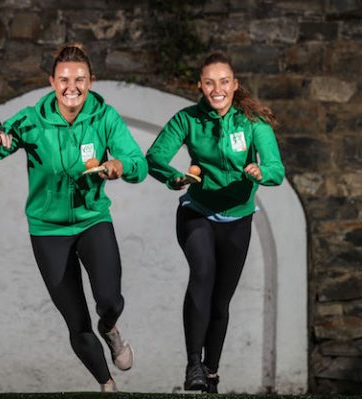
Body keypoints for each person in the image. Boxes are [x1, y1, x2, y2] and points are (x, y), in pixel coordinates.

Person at [0, 44, 147, 392]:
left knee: (110, 301)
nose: (72, 87)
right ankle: (107, 385)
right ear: (52, 81)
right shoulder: (31, 120)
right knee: (77, 322)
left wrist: (118, 166)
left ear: (91, 81)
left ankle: (110, 330)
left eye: (80, 79)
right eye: (64, 79)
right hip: (48, 231)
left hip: (93, 219)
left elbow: (137, 163)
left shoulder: (104, 118)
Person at [146, 52, 285, 393]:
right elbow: (155, 159)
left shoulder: (253, 122)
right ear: (200, 86)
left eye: (224, 81)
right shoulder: (188, 120)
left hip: (237, 219)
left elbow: (276, 169)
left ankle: (210, 371)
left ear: (235, 86)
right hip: (197, 211)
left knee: (220, 301)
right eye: (210, 82)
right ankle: (193, 363)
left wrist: (261, 171)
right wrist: (174, 178)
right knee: (203, 273)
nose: (217, 88)